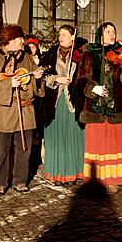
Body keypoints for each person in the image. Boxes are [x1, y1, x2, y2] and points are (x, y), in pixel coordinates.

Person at [0, 25, 45, 195]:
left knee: (25, 148)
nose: (23, 42)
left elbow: (33, 80)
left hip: (25, 109)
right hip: (5, 111)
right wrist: (8, 84)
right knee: (2, 148)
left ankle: (20, 180)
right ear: (9, 41)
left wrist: (37, 78)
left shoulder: (27, 59)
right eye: (19, 39)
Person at [76, 22, 122, 194]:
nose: (112, 34)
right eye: (108, 31)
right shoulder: (89, 54)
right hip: (95, 107)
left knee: (115, 144)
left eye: (114, 31)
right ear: (100, 35)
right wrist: (91, 87)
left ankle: (113, 179)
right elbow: (81, 79)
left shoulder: (121, 54)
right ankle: (97, 179)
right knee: (98, 144)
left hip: (117, 105)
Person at [38, 25, 85, 186]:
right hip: (55, 102)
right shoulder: (51, 54)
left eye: (64, 34)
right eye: (60, 34)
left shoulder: (81, 54)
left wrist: (76, 81)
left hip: (73, 102)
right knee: (56, 138)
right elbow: (42, 74)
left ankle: (72, 173)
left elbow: (86, 74)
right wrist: (56, 79)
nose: (61, 37)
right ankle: (57, 173)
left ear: (73, 37)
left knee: (72, 137)